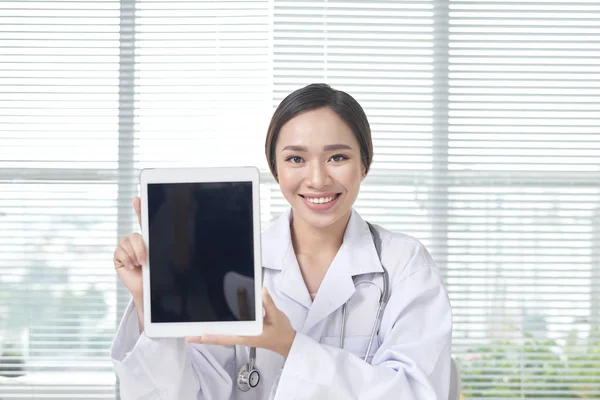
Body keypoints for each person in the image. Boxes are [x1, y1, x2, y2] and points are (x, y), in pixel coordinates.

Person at [111, 83, 452, 399]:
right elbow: (179, 394)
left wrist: (290, 345)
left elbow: (420, 392)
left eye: (338, 157)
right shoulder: (228, 262)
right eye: (296, 159)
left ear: (364, 163)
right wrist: (151, 302)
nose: (317, 179)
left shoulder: (403, 263)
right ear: (275, 168)